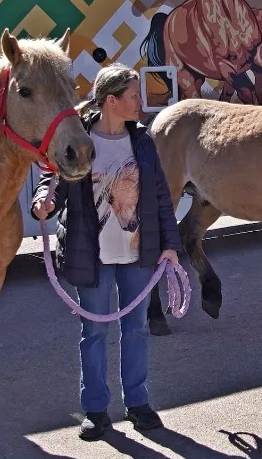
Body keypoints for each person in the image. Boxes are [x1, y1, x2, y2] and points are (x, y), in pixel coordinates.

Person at [31, 65, 183, 439]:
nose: (140, 102)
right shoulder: (80, 139)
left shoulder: (142, 141)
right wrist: (44, 201)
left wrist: (170, 244)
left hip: (137, 255)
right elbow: (55, 178)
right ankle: (96, 410)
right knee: (94, 333)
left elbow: (160, 196)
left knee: (136, 330)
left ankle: (138, 403)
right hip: (92, 253)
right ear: (112, 101)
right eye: (133, 95)